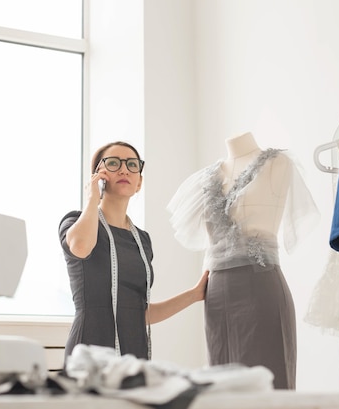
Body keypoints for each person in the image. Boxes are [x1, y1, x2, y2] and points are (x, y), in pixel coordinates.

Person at [167, 132, 319, 389]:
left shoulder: (278, 163)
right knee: (222, 386)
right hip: (217, 294)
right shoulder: (205, 179)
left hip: (262, 285)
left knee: (271, 380)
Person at [58, 141, 209, 361]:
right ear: (97, 178)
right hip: (89, 352)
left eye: (132, 164)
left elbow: (140, 314)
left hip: (134, 352)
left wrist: (194, 295)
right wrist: (93, 198)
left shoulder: (142, 240)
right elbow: (81, 247)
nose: (123, 169)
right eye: (113, 163)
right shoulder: (74, 221)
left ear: (139, 183)